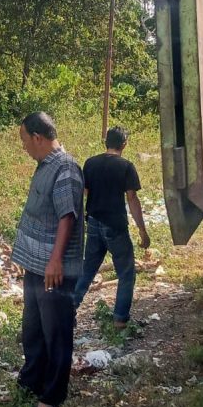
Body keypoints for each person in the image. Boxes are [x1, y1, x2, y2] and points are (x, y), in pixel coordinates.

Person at [11, 112, 84, 407]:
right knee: (33, 330)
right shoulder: (44, 166)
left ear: (37, 138)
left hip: (54, 269)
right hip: (35, 266)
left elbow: (67, 216)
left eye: (24, 140)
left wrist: (55, 260)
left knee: (56, 333)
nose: (24, 146)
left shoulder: (65, 168)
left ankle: (52, 395)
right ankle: (30, 383)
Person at [73, 127, 150, 329]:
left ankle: (68, 309)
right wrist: (142, 230)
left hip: (94, 224)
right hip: (115, 227)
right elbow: (132, 198)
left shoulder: (90, 163)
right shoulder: (126, 166)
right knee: (126, 273)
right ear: (124, 144)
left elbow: (84, 192)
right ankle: (120, 319)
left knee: (87, 270)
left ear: (105, 142)